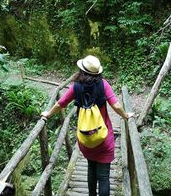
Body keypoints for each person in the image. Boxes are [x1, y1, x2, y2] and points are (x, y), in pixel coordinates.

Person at [41, 55, 134, 196]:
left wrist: (47, 114)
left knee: (91, 169)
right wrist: (126, 116)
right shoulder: (104, 84)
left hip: (86, 137)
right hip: (103, 137)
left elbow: (61, 103)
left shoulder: (76, 86)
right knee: (103, 177)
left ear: (82, 70)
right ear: (98, 72)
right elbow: (116, 105)